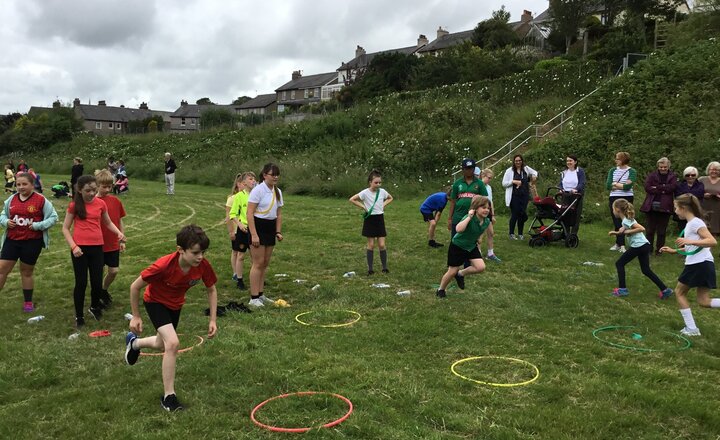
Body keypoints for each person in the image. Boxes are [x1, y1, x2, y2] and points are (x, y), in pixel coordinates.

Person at [124, 225, 218, 412]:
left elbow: (212, 289)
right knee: (173, 343)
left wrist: (213, 320)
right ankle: (169, 397)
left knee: (161, 344)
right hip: (155, 302)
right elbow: (135, 286)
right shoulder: (164, 265)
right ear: (180, 250)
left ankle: (134, 344)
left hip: (175, 305)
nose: (200, 257)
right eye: (196, 253)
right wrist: (136, 316)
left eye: (203, 252)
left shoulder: (202, 266)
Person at [61, 175, 125, 328]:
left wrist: (119, 233)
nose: (91, 193)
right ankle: (79, 316)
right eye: (87, 190)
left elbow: (108, 222)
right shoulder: (74, 205)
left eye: (94, 190)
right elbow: (65, 228)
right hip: (80, 250)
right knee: (81, 283)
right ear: (79, 190)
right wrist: (74, 247)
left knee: (97, 283)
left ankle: (94, 307)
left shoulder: (101, 204)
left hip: (97, 248)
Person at [660, 194, 718, 336]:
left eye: (676, 208)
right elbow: (693, 246)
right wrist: (675, 251)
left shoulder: (695, 223)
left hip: (698, 264)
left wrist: (689, 241)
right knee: (703, 301)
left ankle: (692, 329)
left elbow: (712, 241)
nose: (675, 211)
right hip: (704, 264)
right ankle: (692, 329)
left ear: (683, 207)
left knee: (679, 293)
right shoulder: (691, 223)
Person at [0, 173, 58, 312]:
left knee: (26, 271)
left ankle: (28, 302)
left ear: (32, 185)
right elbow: (2, 215)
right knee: (2, 269)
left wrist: (39, 225)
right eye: (18, 184)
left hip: (32, 242)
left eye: (24, 184)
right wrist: (6, 221)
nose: (21, 187)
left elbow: (54, 217)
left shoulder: (41, 200)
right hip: (12, 241)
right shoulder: (11, 199)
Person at [608, 199, 672, 298]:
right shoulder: (626, 220)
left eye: (613, 209)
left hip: (638, 246)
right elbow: (626, 229)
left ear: (617, 210)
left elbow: (641, 228)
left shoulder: (626, 220)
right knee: (646, 270)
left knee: (619, 263)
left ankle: (622, 290)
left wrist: (626, 232)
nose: (612, 211)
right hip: (644, 245)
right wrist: (616, 233)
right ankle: (665, 290)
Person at [435, 196, 491, 298]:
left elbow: (481, 230)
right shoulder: (469, 218)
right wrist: (469, 217)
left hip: (471, 246)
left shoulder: (486, 221)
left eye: (488, 208)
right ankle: (441, 289)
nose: (486, 210)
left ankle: (460, 274)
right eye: (483, 207)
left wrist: (479, 239)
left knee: (480, 267)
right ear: (475, 208)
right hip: (458, 246)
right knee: (452, 271)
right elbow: (458, 229)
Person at [246, 163, 284, 306]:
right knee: (257, 263)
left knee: (265, 263)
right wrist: (254, 235)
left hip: (270, 227)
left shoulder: (278, 192)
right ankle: (253, 297)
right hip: (258, 226)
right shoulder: (258, 190)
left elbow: (279, 214)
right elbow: (249, 213)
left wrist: (278, 231)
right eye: (272, 174)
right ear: (264, 175)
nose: (275, 177)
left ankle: (261, 295)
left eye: (277, 174)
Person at [350, 170, 394, 275]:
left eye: (379, 182)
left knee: (382, 245)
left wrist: (383, 205)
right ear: (370, 182)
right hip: (370, 219)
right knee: (371, 245)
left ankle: (384, 268)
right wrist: (364, 207)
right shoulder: (365, 193)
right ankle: (370, 269)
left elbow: (390, 198)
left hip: (379, 219)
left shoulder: (382, 192)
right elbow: (352, 199)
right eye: (376, 182)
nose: (378, 184)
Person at [95, 170, 126, 309]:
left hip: (113, 243)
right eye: (104, 186)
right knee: (98, 271)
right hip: (97, 244)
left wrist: (122, 239)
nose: (107, 189)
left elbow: (119, 221)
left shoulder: (115, 200)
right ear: (96, 185)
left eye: (109, 186)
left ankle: (103, 289)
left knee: (114, 271)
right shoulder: (93, 202)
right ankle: (97, 296)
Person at [639, 157, 678, 255]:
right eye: (661, 167)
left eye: (665, 167)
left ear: (668, 166)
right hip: (651, 206)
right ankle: (648, 249)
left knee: (661, 231)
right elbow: (647, 187)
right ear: (658, 166)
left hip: (666, 207)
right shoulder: (652, 175)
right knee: (650, 230)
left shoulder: (673, 176)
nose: (663, 169)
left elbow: (672, 188)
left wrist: (657, 187)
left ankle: (659, 250)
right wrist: (664, 188)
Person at [229, 172, 256, 290]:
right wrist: (239, 224)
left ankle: (257, 277)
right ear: (244, 183)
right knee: (240, 255)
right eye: (250, 179)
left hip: (254, 229)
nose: (253, 181)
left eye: (254, 179)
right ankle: (239, 279)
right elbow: (233, 214)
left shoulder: (257, 195)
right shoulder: (239, 196)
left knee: (255, 256)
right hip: (243, 230)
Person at [605, 151, 636, 253]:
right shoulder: (612, 170)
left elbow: (627, 187)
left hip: (627, 197)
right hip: (614, 197)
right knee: (616, 220)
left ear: (623, 160)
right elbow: (608, 185)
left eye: (618, 159)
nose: (616, 160)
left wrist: (616, 184)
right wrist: (619, 185)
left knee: (626, 221)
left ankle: (625, 244)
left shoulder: (631, 171)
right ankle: (619, 243)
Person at [502, 154, 538, 240]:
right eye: (516, 161)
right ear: (514, 162)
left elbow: (535, 172)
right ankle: (511, 233)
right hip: (514, 196)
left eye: (519, 160)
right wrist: (513, 181)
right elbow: (504, 183)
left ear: (522, 161)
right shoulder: (509, 171)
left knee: (522, 215)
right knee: (515, 214)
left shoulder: (526, 169)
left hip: (524, 196)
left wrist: (533, 177)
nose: (518, 162)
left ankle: (520, 234)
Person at [559, 155, 586, 234]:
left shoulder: (580, 171)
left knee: (576, 214)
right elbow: (561, 183)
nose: (568, 162)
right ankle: (566, 233)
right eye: (567, 161)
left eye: (570, 161)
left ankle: (573, 234)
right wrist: (560, 189)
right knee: (564, 214)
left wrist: (576, 189)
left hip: (576, 195)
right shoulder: (564, 172)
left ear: (575, 162)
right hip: (565, 195)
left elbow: (582, 182)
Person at [479, 168, 501, 262]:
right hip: (479, 212)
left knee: (490, 232)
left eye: (491, 178)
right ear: (483, 176)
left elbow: (490, 201)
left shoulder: (489, 187)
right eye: (489, 178)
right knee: (479, 234)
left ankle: (490, 253)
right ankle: (477, 254)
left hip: (488, 212)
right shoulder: (478, 186)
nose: (490, 180)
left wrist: (492, 215)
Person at [674, 166, 704, 233]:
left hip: (695, 210)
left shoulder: (700, 185)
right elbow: (678, 196)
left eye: (693, 175)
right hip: (683, 210)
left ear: (696, 175)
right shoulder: (679, 185)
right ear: (685, 176)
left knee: (694, 230)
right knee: (682, 230)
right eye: (688, 175)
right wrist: (692, 194)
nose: (690, 177)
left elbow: (700, 194)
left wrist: (686, 194)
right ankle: (683, 243)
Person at [699, 161, 720, 237]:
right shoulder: (701, 179)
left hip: (717, 208)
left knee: (714, 230)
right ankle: (699, 246)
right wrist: (703, 194)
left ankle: (710, 247)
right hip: (703, 207)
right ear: (708, 170)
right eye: (712, 169)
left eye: (716, 170)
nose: (714, 171)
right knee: (702, 227)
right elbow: (695, 191)